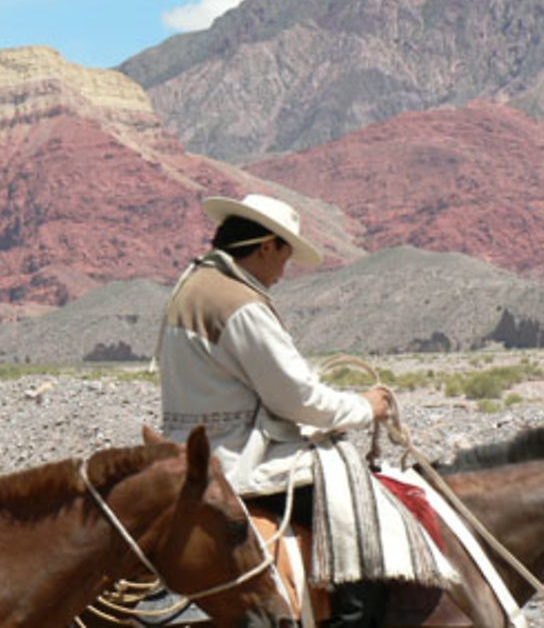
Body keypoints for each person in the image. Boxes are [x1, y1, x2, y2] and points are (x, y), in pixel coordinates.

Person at [157, 193, 393, 627]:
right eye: (285, 257)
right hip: (236, 457)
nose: (284, 273)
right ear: (266, 246)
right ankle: (353, 617)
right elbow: (296, 399)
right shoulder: (239, 303)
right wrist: (365, 407)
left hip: (188, 450)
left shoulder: (191, 286)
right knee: (359, 505)